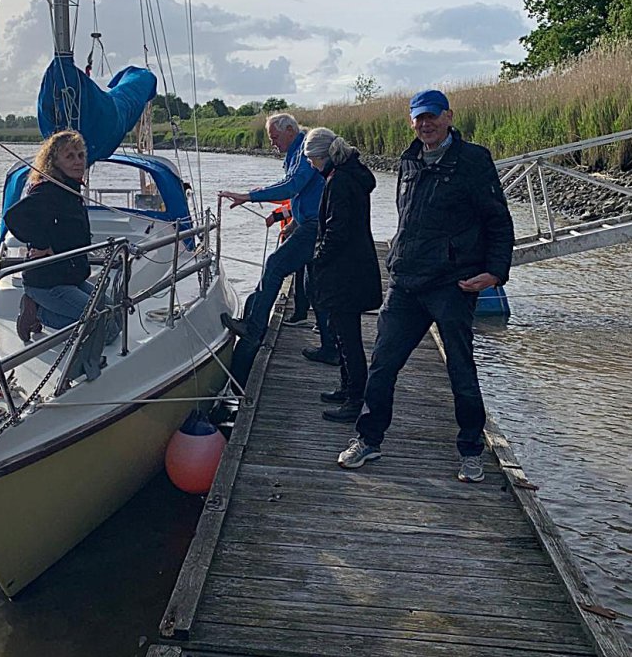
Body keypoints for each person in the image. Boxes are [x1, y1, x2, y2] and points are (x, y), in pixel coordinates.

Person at [338, 89, 514, 481]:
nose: (425, 124)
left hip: (453, 284)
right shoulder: (409, 159)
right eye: (419, 118)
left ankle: (470, 450)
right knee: (382, 364)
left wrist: (495, 272)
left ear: (449, 116)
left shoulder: (473, 160)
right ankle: (368, 440)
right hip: (405, 282)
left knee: (461, 370)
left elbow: (499, 221)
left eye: (432, 116)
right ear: (411, 121)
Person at [219, 113, 332, 385]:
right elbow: (302, 193)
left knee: (275, 266)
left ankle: (254, 328)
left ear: (290, 130)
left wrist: (249, 196)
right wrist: (288, 219)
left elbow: (292, 186)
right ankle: (330, 346)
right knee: (313, 285)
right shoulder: (294, 153)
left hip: (316, 225)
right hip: (309, 222)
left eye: (275, 137)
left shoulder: (305, 151)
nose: (272, 143)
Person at [3, 131, 115, 381]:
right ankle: (37, 312)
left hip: (69, 276)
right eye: (69, 156)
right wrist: (42, 244)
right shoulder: (49, 191)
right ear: (54, 162)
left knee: (113, 314)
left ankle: (40, 309)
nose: (78, 161)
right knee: (98, 322)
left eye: (81, 155)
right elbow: (14, 217)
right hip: (48, 282)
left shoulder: (70, 189)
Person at [303, 127, 383, 422]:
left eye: (312, 159)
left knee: (348, 339)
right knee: (343, 333)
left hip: (344, 272)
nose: (311, 165)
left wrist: (318, 258)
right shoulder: (352, 175)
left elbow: (337, 230)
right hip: (354, 267)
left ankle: (354, 399)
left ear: (323, 156)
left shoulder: (339, 181)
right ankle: (347, 387)